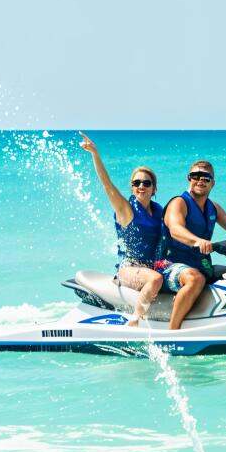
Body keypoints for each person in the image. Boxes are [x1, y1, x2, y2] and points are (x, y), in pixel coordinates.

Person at [162, 160, 226, 331]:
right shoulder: (179, 203)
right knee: (195, 279)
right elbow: (175, 229)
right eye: (195, 176)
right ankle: (172, 332)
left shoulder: (212, 207)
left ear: (213, 182)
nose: (200, 180)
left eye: (205, 177)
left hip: (200, 264)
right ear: (189, 179)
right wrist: (197, 241)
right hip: (170, 265)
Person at [80, 134, 166, 329]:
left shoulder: (159, 210)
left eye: (146, 183)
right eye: (136, 183)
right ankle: (135, 320)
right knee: (156, 279)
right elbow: (107, 186)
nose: (141, 186)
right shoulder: (126, 209)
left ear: (154, 188)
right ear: (132, 187)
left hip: (153, 265)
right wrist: (95, 154)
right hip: (129, 269)